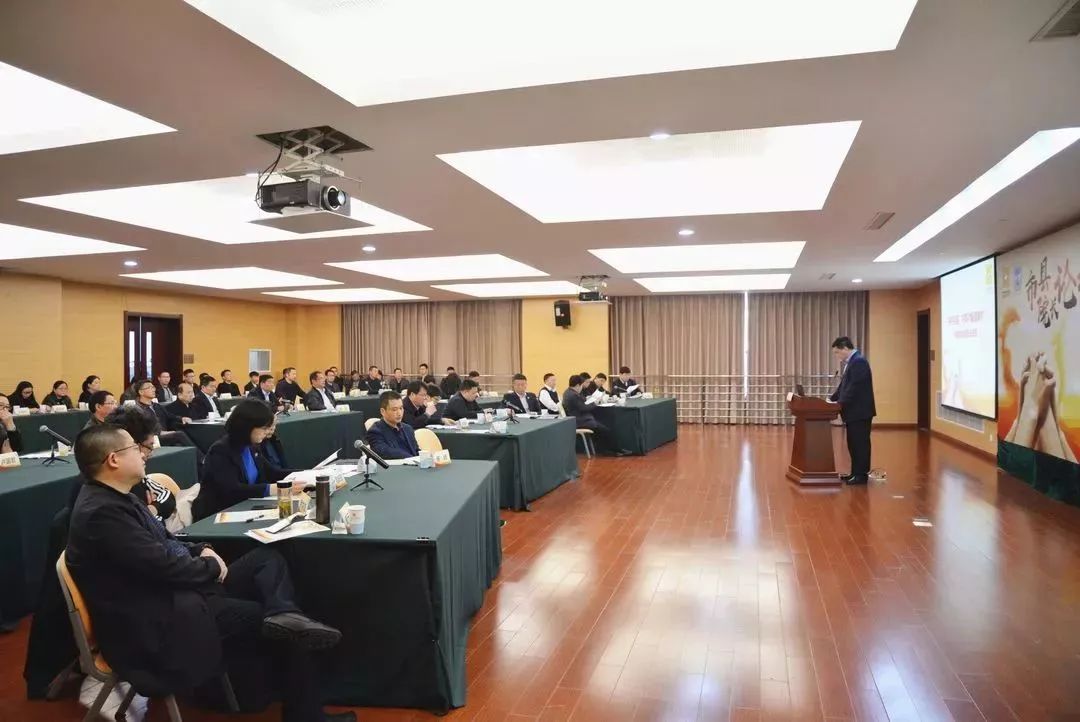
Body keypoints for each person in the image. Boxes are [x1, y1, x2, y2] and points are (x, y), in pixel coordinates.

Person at [67, 424, 353, 722]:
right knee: (281, 628)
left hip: (177, 592)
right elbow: (163, 567)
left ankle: (283, 612)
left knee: (266, 558)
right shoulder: (102, 513)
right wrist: (212, 566)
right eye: (135, 448)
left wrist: (202, 547)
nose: (143, 454)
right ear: (113, 459)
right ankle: (306, 714)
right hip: (159, 617)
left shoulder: (119, 497)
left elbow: (165, 542)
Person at [195, 399, 305, 520]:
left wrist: (307, 474)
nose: (267, 432)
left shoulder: (251, 446)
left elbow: (272, 472)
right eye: (264, 428)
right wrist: (274, 489)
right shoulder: (220, 450)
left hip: (244, 508)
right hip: (218, 514)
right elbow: (232, 490)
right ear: (247, 427)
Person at [99, 404, 179, 526]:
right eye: (149, 447)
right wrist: (148, 514)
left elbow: (167, 496)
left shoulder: (134, 476)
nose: (149, 454)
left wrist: (152, 509)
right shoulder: (106, 499)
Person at [828, 336, 876, 485]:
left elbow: (854, 387)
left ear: (845, 348)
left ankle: (861, 476)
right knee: (853, 444)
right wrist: (830, 400)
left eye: (837, 352)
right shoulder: (853, 362)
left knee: (860, 445)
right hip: (853, 412)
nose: (837, 356)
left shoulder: (859, 362)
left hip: (860, 412)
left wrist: (839, 403)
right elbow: (844, 386)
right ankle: (854, 473)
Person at [563, 375, 630, 456]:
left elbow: (582, 402)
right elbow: (584, 408)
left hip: (580, 418)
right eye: (581, 385)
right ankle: (615, 450)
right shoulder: (573, 395)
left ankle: (610, 450)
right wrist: (595, 403)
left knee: (603, 427)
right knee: (606, 430)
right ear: (577, 385)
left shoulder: (568, 392)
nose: (581, 388)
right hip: (581, 421)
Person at [365, 391, 419, 460]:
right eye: (394, 410)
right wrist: (412, 458)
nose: (399, 413)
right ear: (383, 411)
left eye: (401, 408)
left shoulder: (408, 428)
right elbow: (386, 452)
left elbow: (416, 451)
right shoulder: (375, 432)